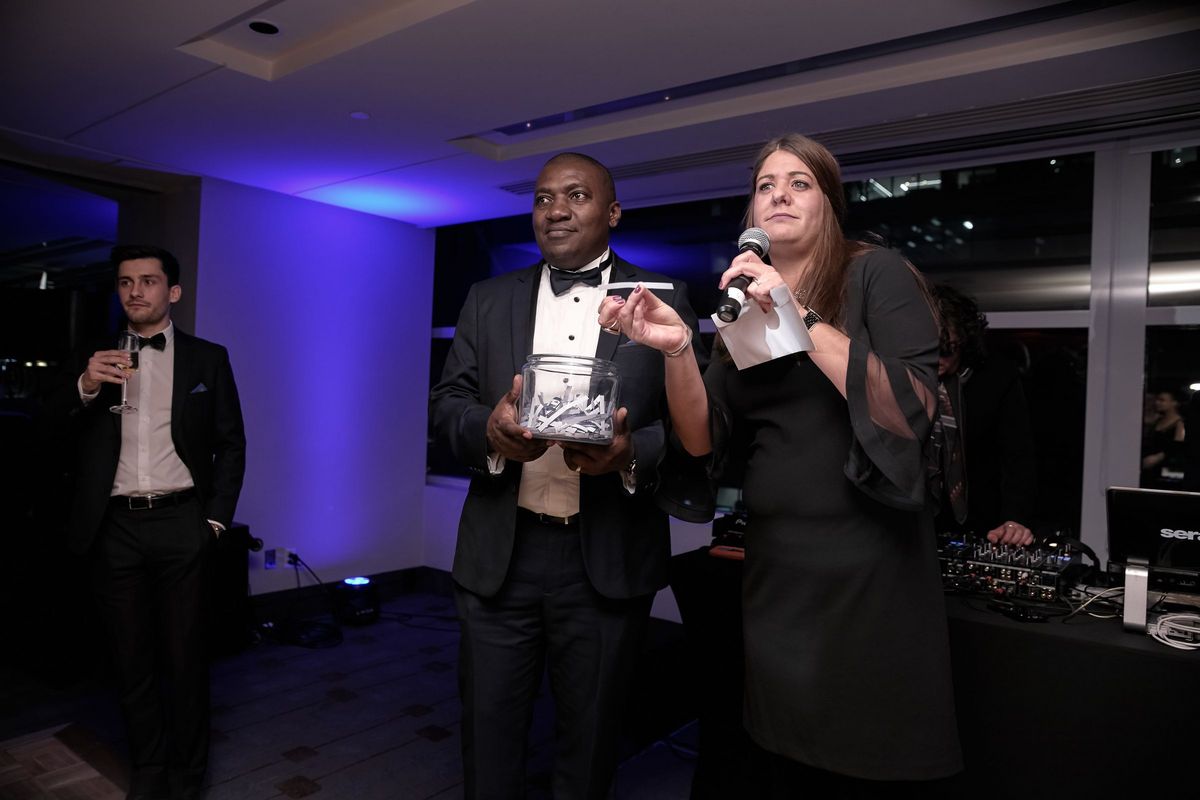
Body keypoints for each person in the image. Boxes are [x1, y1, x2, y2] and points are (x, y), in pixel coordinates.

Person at [600, 134, 962, 793]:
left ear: (830, 204)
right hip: (778, 572)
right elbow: (704, 439)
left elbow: (909, 411)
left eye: (800, 183)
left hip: (870, 568)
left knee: (865, 761)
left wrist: (798, 312)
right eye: (766, 185)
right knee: (779, 762)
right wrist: (677, 349)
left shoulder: (876, 273)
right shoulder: (741, 304)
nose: (780, 195)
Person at [429, 152, 703, 799]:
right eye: (543, 198)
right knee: (489, 736)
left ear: (613, 212)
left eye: (576, 196)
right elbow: (446, 405)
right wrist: (489, 429)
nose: (555, 210)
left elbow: (690, 429)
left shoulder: (662, 300)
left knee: (592, 742)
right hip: (502, 552)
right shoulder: (488, 298)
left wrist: (628, 454)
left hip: (607, 556)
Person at [46, 245, 246, 800]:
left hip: (183, 523)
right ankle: (149, 771)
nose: (135, 291)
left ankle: (188, 776)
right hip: (114, 528)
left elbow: (231, 444)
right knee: (130, 662)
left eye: (149, 281)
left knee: (186, 661)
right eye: (125, 282)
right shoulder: (92, 355)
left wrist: (215, 522)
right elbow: (50, 427)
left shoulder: (208, 359)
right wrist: (86, 385)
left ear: (172, 292)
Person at [932, 283, 1037, 547]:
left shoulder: (998, 378)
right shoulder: (900, 378)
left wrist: (1014, 518)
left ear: (963, 341)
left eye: (947, 350)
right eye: (928, 350)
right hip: (912, 522)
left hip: (981, 519)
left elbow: (1018, 457)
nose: (936, 360)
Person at [1141, 388, 1187, 489]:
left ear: (1174, 403)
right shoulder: (1157, 421)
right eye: (1157, 400)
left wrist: (1158, 457)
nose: (1157, 403)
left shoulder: (1180, 423)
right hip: (1150, 470)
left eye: (1162, 400)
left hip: (1167, 471)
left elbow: (1178, 446)